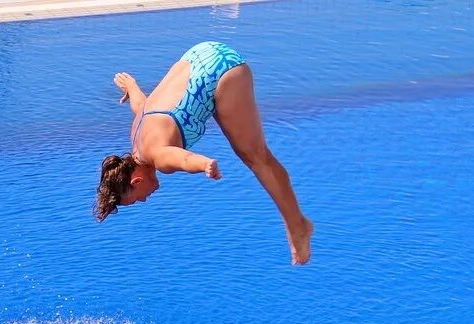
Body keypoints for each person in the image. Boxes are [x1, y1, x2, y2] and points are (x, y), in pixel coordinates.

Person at [96, 41, 314, 265]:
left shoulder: (157, 157)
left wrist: (204, 165)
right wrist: (131, 86)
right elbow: (140, 104)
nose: (143, 200)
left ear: (136, 180)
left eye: (135, 199)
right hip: (201, 53)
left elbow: (183, 158)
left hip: (223, 72)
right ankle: (297, 224)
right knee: (246, 147)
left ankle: (298, 227)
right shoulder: (136, 133)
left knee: (256, 157)